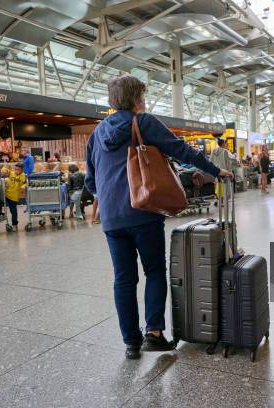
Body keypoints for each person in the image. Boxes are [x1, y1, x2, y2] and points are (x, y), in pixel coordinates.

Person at [85, 75, 232, 360]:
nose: (145, 100)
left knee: (123, 279)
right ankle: (153, 332)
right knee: (153, 271)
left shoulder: (96, 134)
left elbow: (91, 183)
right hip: (143, 211)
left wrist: (111, 193)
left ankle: (131, 343)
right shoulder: (143, 122)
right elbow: (182, 150)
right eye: (143, 95)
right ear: (137, 98)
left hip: (112, 219)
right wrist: (215, 171)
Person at [1, 163, 26, 231]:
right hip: (6, 194)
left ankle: (14, 224)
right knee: (0, 205)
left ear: (22, 170)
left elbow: (26, 183)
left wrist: (23, 187)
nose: (15, 171)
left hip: (14, 197)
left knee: (13, 211)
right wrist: (4, 171)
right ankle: (1, 216)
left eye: (17, 169)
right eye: (15, 169)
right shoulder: (11, 173)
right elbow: (5, 168)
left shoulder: (23, 176)